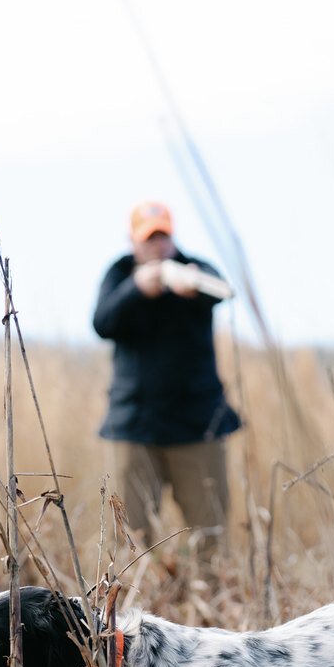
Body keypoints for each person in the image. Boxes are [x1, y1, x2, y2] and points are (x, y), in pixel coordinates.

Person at [92, 201, 239, 560]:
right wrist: (138, 288)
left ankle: (211, 606)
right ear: (133, 241)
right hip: (135, 426)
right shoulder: (119, 275)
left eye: (163, 237)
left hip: (197, 425)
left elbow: (221, 290)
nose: (157, 245)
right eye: (148, 238)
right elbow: (103, 322)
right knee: (127, 535)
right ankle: (126, 609)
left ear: (172, 238)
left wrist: (186, 283)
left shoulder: (196, 268)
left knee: (211, 533)